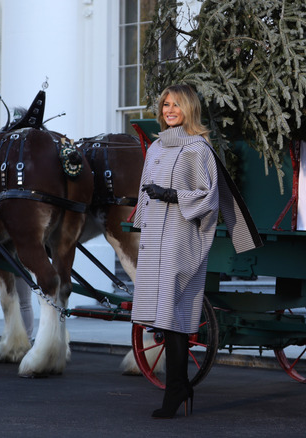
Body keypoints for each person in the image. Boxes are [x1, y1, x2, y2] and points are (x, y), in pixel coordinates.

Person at [131, 84, 262, 419]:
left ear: (189, 108)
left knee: (172, 312)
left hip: (180, 236)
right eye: (165, 105)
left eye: (176, 105)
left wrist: (172, 195)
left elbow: (209, 196)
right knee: (163, 315)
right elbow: (145, 194)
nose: (169, 110)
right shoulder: (156, 147)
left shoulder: (198, 148)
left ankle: (177, 389)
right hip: (154, 239)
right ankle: (180, 388)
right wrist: (141, 219)